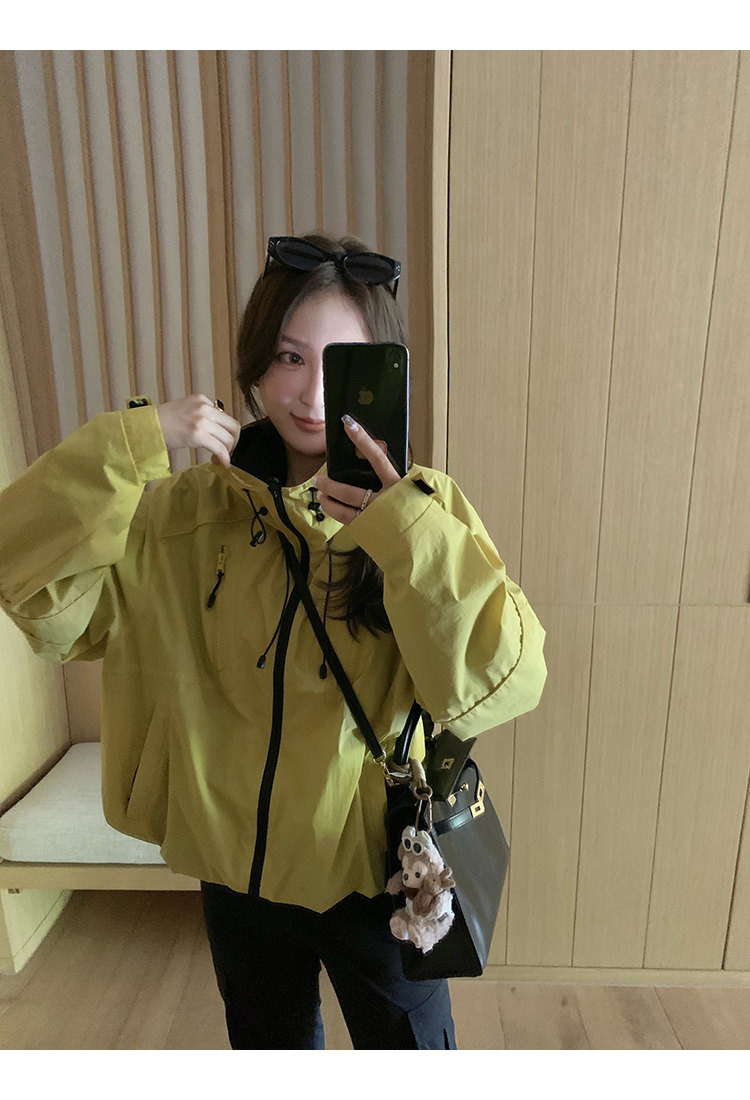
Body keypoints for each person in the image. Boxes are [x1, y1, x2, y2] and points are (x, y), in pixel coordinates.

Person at [0, 233, 547, 1050]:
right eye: (290, 356)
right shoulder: (187, 514)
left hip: (374, 875)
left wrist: (406, 532)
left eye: (342, 363)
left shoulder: (422, 511)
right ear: (255, 365)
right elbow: (36, 588)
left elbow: (504, 681)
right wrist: (127, 445)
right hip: (237, 877)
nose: (313, 392)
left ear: (381, 373)